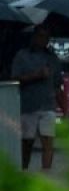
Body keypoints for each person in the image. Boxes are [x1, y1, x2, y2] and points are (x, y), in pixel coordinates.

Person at [8, 24, 63, 170]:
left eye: (46, 37)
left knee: (48, 142)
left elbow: (58, 86)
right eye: (40, 36)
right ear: (34, 37)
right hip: (29, 105)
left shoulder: (52, 58)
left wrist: (66, 110)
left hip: (48, 105)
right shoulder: (23, 56)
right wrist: (36, 75)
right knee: (27, 142)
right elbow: (15, 79)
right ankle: (23, 170)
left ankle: (46, 174)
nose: (43, 40)